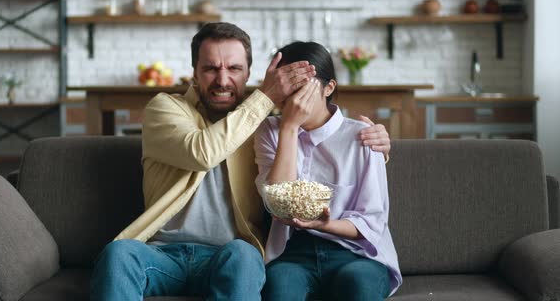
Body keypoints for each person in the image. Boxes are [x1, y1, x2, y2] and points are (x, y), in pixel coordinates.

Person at [90, 23, 392, 301]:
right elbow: (202, 151)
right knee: (119, 253)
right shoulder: (164, 109)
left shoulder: (266, 128)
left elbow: (313, 135)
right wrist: (264, 97)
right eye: (210, 68)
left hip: (228, 255)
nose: (222, 79)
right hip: (161, 254)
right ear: (194, 72)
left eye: (234, 68)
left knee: (244, 256)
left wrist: (375, 143)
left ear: (248, 74)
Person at [254, 41, 401, 301]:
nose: (293, 100)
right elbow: (279, 203)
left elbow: (372, 220)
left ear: (329, 87)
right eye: (287, 89)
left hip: (356, 253)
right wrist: (289, 127)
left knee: (358, 284)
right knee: (281, 288)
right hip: (294, 253)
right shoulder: (270, 131)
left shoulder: (362, 137)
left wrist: (326, 224)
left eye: (302, 88)